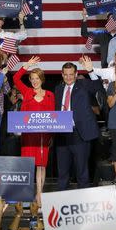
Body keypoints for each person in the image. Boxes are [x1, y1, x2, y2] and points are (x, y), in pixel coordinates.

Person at [54, 62, 103, 190]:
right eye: (66, 75)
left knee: (81, 171)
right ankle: (61, 202)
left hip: (79, 134)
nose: (68, 77)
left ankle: (83, 202)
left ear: (76, 74)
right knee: (62, 172)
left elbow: (98, 86)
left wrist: (91, 71)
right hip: (61, 134)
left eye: (71, 74)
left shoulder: (84, 85)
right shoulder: (58, 89)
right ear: (62, 75)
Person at [13, 56, 55, 204]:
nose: (35, 81)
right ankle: (26, 194)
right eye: (32, 78)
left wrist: (51, 137)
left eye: (37, 78)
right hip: (29, 136)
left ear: (42, 79)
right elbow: (16, 79)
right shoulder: (27, 92)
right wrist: (26, 65)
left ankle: (39, 194)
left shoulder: (50, 95)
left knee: (42, 165)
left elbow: (53, 118)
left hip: (43, 136)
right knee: (28, 164)